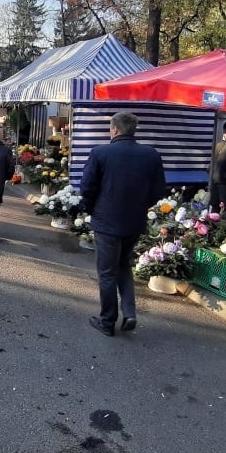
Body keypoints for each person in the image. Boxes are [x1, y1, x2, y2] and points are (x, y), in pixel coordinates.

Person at [80, 111, 166, 337]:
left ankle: (107, 321)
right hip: (134, 222)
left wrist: (91, 210)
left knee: (107, 272)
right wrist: (140, 205)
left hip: (106, 222)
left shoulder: (100, 153)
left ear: (115, 130)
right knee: (124, 265)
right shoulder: (151, 155)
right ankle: (129, 312)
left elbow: (87, 188)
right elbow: (158, 191)